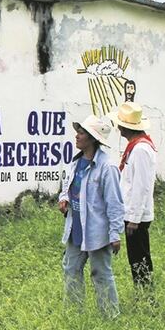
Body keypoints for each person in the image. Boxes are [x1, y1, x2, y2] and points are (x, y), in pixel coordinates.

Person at [58, 115, 124, 318]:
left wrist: (115, 234)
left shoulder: (107, 167)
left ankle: (110, 316)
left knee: (101, 274)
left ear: (93, 139)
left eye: (82, 133)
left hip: (97, 231)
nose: (77, 136)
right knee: (71, 269)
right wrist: (64, 198)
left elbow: (115, 203)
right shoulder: (75, 162)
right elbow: (68, 185)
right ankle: (74, 314)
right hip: (75, 226)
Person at [111, 102, 157, 289]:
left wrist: (134, 219)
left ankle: (145, 293)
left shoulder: (140, 150)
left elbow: (141, 186)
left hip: (135, 215)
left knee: (139, 257)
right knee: (136, 257)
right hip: (132, 213)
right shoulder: (137, 147)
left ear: (124, 127)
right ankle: (143, 291)